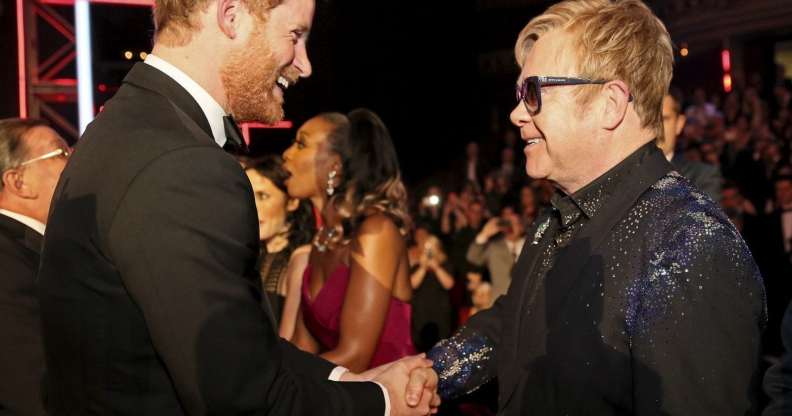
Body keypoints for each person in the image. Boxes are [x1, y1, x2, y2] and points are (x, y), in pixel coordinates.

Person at [36, 0, 437, 414]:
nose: (305, 64)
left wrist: (349, 380)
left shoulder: (128, 127)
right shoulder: (181, 163)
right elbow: (242, 398)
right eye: (295, 36)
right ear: (231, 17)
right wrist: (384, 402)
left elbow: (235, 345)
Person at [420, 1, 766, 414]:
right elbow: (516, 322)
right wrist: (431, 372)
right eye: (518, 95)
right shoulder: (557, 217)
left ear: (610, 103)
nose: (515, 114)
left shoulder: (691, 247)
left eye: (533, 93)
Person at [282, 110, 417, 373]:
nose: (287, 153)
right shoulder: (321, 242)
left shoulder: (377, 232)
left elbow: (355, 356)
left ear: (334, 167)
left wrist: (276, 388)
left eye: (301, 144)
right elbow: (302, 346)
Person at [0, 118, 69, 415]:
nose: (75, 160)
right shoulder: (5, 259)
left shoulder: (28, 249)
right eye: (61, 154)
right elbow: (32, 385)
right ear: (18, 182)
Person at [244, 155, 314, 339]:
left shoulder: (303, 259)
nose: (252, 206)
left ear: (292, 202)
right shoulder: (247, 257)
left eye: (263, 196)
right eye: (247, 195)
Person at [659, 87, 723, 202]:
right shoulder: (625, 173)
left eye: (664, 119)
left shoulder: (702, 177)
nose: (656, 127)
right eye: (649, 119)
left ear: (679, 124)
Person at [408, 226, 454, 352]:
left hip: (440, 313)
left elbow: (449, 284)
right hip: (421, 313)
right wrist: (423, 267)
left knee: (441, 348)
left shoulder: (445, 264)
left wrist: (437, 267)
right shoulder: (417, 266)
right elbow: (412, 284)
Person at [466, 205, 525, 301]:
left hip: (525, 303)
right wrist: (484, 233)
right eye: (508, 223)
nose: (511, 226)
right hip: (500, 302)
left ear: (522, 226)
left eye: (515, 223)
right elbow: (472, 257)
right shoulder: (494, 247)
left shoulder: (531, 245)